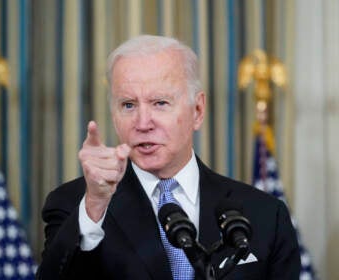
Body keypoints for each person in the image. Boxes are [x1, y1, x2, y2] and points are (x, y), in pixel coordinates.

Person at [36, 35, 300, 280]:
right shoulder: (75, 206)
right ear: (114, 116)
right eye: (128, 105)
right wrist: (95, 205)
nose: (143, 123)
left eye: (160, 103)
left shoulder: (265, 215)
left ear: (197, 111)